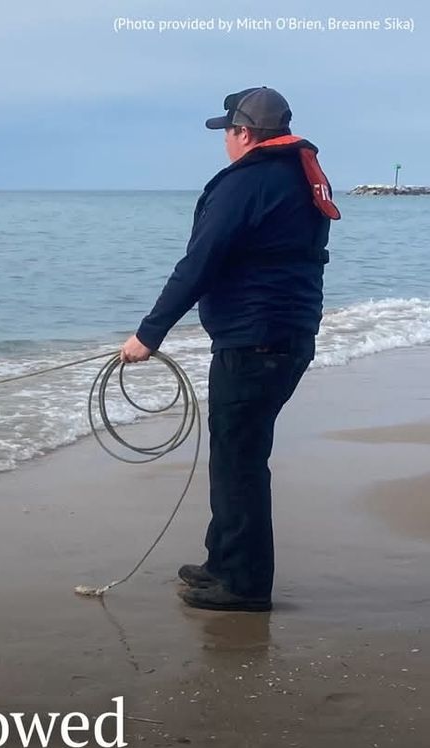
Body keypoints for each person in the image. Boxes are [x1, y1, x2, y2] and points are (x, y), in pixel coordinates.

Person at [118, 87, 339, 612]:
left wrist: (148, 334)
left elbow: (199, 263)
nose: (226, 143)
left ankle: (242, 585)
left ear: (244, 133)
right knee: (236, 455)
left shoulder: (247, 183)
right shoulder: (295, 176)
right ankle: (224, 562)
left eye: (228, 133)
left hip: (256, 340)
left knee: (239, 460)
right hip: (286, 335)